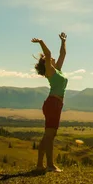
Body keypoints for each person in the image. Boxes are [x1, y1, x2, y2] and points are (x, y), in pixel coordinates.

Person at [31, 32, 68, 173]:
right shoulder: (50, 71)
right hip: (53, 104)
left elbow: (62, 54)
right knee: (49, 135)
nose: (52, 58)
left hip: (55, 104)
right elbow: (48, 53)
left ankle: (40, 165)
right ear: (46, 63)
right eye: (49, 58)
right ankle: (50, 165)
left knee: (49, 135)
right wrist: (41, 41)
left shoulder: (57, 70)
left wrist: (63, 41)